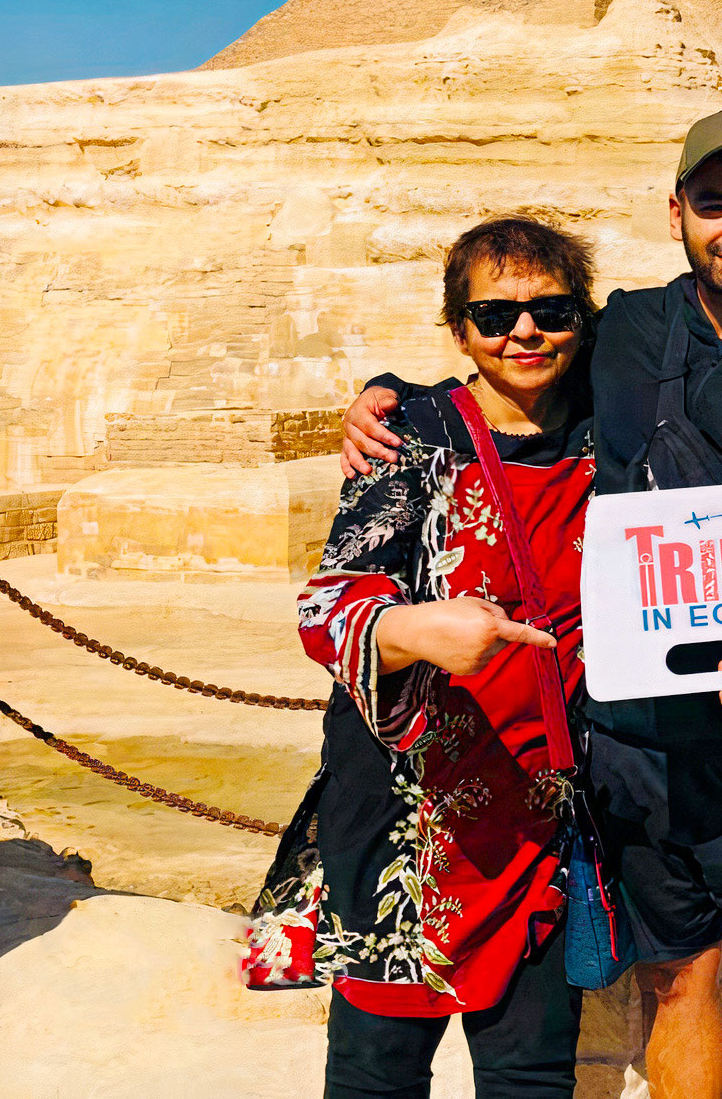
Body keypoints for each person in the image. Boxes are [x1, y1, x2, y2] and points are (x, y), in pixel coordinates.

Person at [339, 107, 722, 1099]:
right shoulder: (624, 328)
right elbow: (508, 363)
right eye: (715, 204)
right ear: (674, 212)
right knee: (676, 983)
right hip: (632, 746)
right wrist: (389, 397)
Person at [247, 216, 601, 1098]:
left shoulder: (615, 436)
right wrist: (415, 632)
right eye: (495, 315)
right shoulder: (410, 440)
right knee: (378, 1080)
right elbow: (332, 605)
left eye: (551, 311)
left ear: (582, 318)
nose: (525, 332)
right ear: (460, 328)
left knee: (532, 1079)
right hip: (411, 842)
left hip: (546, 831)